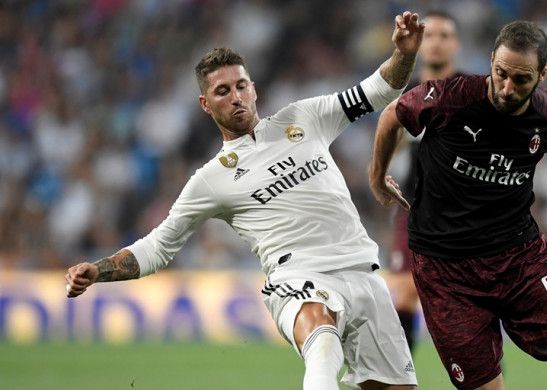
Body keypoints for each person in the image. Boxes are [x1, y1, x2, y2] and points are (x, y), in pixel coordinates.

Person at [65, 11, 424, 390]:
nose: (235, 97)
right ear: (206, 104)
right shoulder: (210, 180)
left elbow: (380, 90)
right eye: (223, 91)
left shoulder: (305, 117)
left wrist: (405, 53)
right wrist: (99, 270)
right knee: (321, 338)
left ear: (254, 88)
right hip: (298, 277)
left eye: (241, 86)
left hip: (364, 272)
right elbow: (158, 247)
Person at [369, 20, 547, 390]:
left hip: (518, 258)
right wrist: (377, 175)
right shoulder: (449, 97)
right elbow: (392, 114)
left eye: (521, 80)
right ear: (491, 60)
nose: (508, 88)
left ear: (542, 74)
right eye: (501, 74)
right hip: (446, 270)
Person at [387, 9, 462, 354]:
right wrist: (381, 173)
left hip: (462, 212)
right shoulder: (405, 93)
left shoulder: (472, 93)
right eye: (429, 35)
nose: (435, 43)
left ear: (455, 44)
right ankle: (400, 377)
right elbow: (391, 141)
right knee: (403, 292)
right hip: (414, 208)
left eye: (444, 36)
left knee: (464, 304)